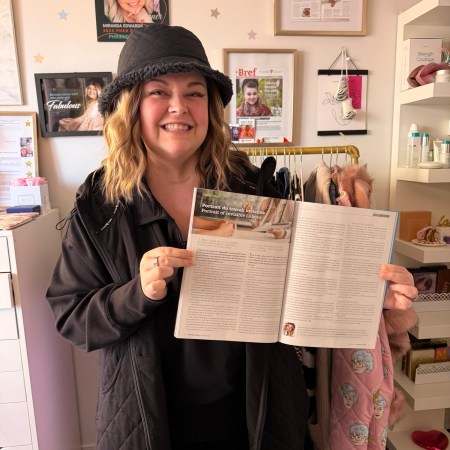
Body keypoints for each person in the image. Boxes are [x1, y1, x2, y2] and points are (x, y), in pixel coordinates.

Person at [46, 24, 418, 450]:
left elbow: (301, 291)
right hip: (147, 425)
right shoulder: (101, 206)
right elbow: (71, 317)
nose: (179, 107)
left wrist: (371, 296)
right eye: (158, 92)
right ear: (131, 107)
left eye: (194, 93)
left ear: (210, 107)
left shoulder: (252, 187)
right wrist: (137, 294)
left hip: (257, 419)